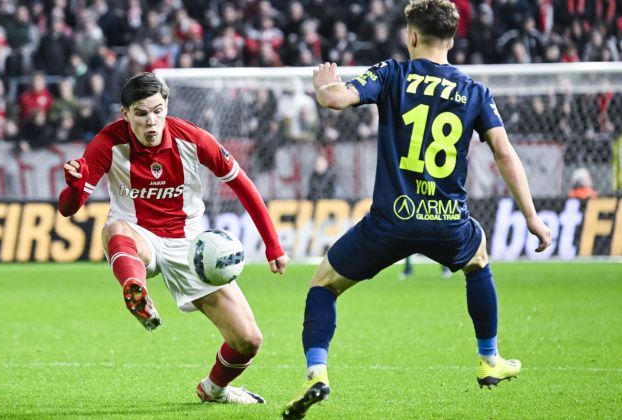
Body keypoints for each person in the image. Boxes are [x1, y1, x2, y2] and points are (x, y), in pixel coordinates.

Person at [282, 1, 551, 418]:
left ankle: (317, 372)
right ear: (453, 38)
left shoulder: (392, 73)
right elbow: (504, 152)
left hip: (389, 221)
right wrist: (531, 216)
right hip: (447, 222)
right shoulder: (474, 91)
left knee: (323, 285)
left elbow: (336, 99)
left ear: (411, 36)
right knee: (477, 261)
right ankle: (489, 358)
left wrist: (323, 84)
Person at [57, 72, 289, 405]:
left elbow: (242, 184)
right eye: (141, 113)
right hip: (139, 238)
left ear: (166, 105)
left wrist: (273, 245)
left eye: (157, 110)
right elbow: (68, 209)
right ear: (125, 113)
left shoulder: (193, 139)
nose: (151, 121)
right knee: (114, 228)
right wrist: (75, 186)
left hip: (191, 248)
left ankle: (214, 390)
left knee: (248, 340)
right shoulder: (108, 143)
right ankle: (135, 290)